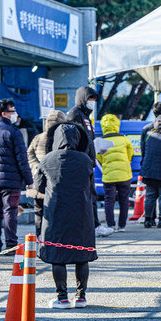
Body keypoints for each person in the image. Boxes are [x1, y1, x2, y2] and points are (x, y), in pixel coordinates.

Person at [37, 123, 97, 309]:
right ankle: (81, 297)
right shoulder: (85, 160)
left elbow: (39, 187)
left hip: (55, 212)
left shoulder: (47, 159)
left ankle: (62, 297)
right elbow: (92, 188)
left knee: (57, 255)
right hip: (81, 212)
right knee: (82, 254)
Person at [0, 99, 34, 254]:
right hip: (11, 181)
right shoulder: (13, 132)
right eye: (13, 111)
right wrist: (29, 180)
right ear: (4, 113)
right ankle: (11, 244)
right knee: (10, 211)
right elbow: (22, 158)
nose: (16, 114)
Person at [67, 86, 114, 238]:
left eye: (94, 99)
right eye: (90, 99)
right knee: (84, 196)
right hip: (80, 162)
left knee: (91, 195)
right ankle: (89, 225)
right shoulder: (75, 114)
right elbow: (74, 140)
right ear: (82, 98)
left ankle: (93, 225)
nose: (92, 102)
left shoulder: (86, 116)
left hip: (88, 161)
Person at [27, 109, 66, 235]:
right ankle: (50, 237)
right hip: (55, 180)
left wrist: (36, 167)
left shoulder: (38, 137)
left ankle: (39, 237)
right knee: (54, 212)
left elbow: (29, 153)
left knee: (39, 211)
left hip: (38, 180)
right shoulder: (61, 138)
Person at [97, 114, 134, 232]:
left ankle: (111, 225)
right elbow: (130, 155)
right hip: (125, 175)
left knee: (109, 201)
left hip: (109, 176)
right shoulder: (124, 139)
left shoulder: (101, 141)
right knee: (124, 201)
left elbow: (99, 158)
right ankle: (122, 226)